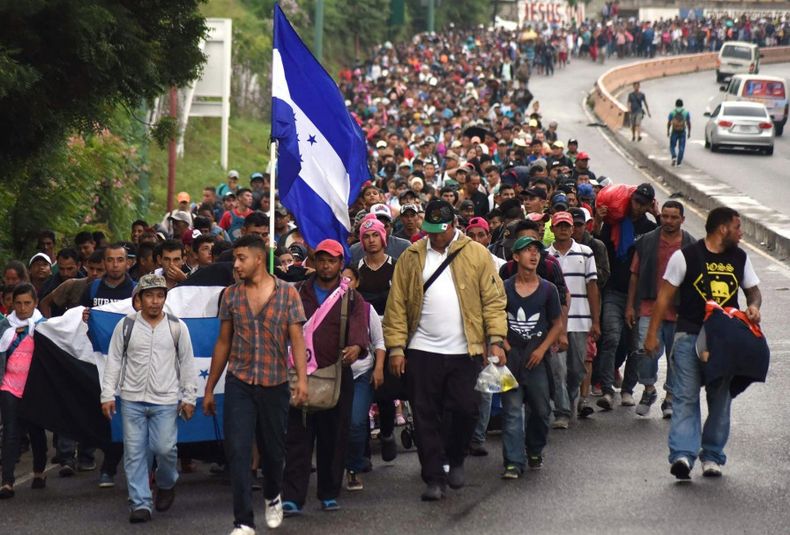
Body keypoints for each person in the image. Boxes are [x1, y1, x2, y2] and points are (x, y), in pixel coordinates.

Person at [383, 199, 507, 501]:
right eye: (431, 231)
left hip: (466, 349)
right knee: (425, 415)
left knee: (467, 408)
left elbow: (493, 300)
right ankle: (434, 477)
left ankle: (456, 457)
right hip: (422, 350)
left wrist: (496, 339)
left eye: (440, 231)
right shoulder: (412, 256)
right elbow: (396, 304)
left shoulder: (476, 254)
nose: (435, 237)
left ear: (453, 226)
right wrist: (397, 347)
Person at [203, 234, 308, 534]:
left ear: (259, 259)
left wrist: (301, 379)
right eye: (234, 258)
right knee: (237, 451)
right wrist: (210, 388)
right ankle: (243, 521)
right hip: (240, 382)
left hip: (275, 384)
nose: (235, 264)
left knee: (274, 454)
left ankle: (273, 494)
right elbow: (223, 342)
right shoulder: (231, 296)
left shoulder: (288, 293)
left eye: (241, 258)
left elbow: (297, 340)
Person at [646, 207, 761, 479]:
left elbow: (753, 290)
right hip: (688, 335)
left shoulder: (740, 258)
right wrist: (651, 334)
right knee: (685, 396)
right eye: (737, 227)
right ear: (723, 228)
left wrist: (753, 306)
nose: (741, 233)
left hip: (725, 341)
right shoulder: (685, 256)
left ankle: (711, 456)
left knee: (720, 399)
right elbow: (663, 298)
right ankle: (683, 456)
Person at [100, 274, 197, 523]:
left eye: (160, 296)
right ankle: (140, 503)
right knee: (134, 453)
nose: (155, 301)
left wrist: (189, 397)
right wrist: (107, 395)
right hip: (131, 400)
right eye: (149, 296)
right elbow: (113, 361)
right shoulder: (126, 326)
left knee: (164, 449)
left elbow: (187, 364)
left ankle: (166, 483)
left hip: (165, 401)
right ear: (138, 300)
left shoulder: (177, 327)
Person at [282, 239, 369, 515]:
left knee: (334, 435)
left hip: (336, 374)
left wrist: (357, 346)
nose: (326, 265)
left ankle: (329, 492)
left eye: (331, 260)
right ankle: (293, 497)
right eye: (321, 260)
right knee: (297, 438)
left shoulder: (352, 297)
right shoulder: (297, 292)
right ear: (314, 262)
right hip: (299, 374)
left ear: (340, 264)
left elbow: (359, 326)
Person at [501, 237, 563, 478]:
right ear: (516, 257)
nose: (534, 255)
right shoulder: (503, 287)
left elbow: (557, 324)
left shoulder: (548, 289)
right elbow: (492, 317)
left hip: (538, 359)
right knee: (512, 411)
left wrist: (542, 349)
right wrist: (501, 344)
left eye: (537, 251)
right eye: (527, 251)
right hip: (510, 359)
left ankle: (535, 448)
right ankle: (513, 462)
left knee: (540, 409)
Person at [626, 201, 695, 418]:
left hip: (679, 311)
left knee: (677, 358)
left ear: (682, 219)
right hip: (649, 307)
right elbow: (634, 274)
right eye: (665, 216)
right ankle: (648, 389)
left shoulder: (691, 245)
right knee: (645, 352)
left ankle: (670, 398)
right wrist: (630, 306)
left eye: (674, 217)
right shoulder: (647, 242)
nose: (669, 221)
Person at [594, 184, 658, 411]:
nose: (637, 207)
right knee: (611, 338)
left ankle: (628, 389)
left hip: (641, 297)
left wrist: (658, 216)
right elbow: (599, 246)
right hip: (614, 291)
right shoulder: (616, 223)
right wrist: (599, 221)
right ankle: (607, 390)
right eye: (635, 201)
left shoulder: (651, 228)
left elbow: (666, 244)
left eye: (643, 204)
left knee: (635, 345)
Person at [547, 211, 601, 428]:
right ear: (552, 229)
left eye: (566, 226)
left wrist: (596, 320)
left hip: (580, 320)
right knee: (557, 369)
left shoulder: (586, 253)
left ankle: (569, 401)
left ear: (572, 228)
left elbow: (592, 287)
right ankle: (562, 411)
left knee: (577, 368)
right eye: (559, 225)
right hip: (555, 322)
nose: (563, 229)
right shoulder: (545, 255)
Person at [0, 284, 47, 499]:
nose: (22, 307)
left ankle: (39, 472)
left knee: (37, 430)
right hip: (9, 384)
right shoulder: (4, 326)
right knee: (11, 432)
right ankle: (7, 481)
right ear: (11, 303)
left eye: (27, 303)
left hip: (34, 386)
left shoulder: (44, 326)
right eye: (18, 303)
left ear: (35, 303)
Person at [667, 98, 691, 166]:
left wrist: (668, 131)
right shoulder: (686, 112)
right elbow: (688, 123)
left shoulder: (672, 112)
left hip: (674, 131)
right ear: (682, 104)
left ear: (676, 104)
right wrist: (689, 132)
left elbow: (669, 123)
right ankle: (679, 161)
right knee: (681, 147)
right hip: (682, 131)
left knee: (672, 146)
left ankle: (674, 156)